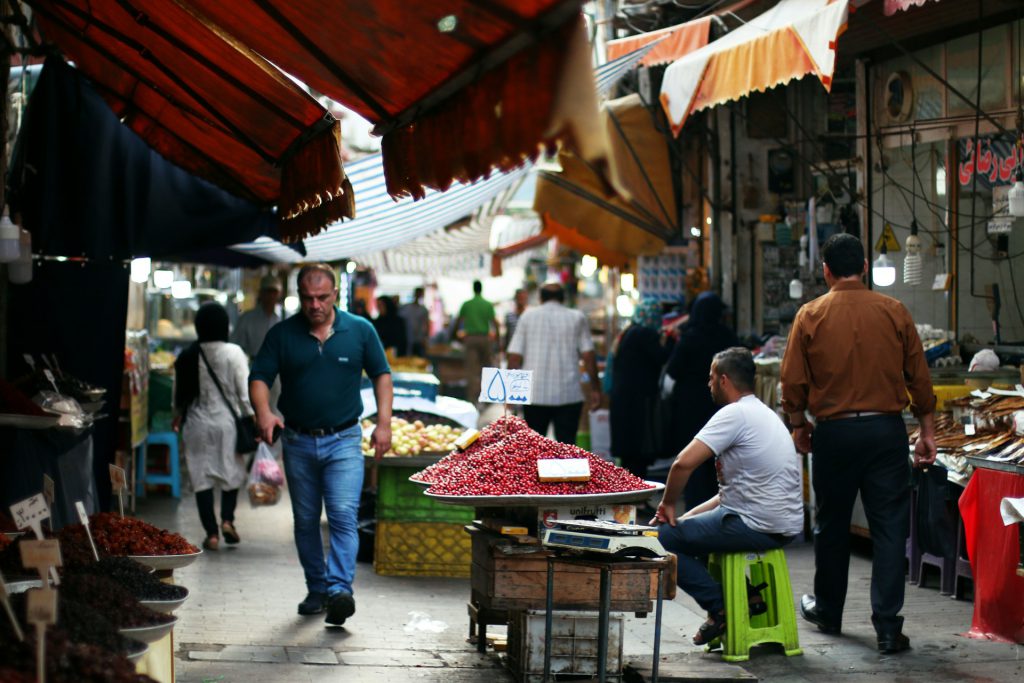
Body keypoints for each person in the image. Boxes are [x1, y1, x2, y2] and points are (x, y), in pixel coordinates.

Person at [780, 233, 936, 655]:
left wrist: (798, 423)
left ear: (826, 271)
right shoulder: (894, 311)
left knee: (831, 525)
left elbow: (792, 381)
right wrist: (927, 430)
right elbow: (919, 378)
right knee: (889, 529)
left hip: (834, 434)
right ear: (865, 267)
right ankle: (888, 628)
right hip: (886, 431)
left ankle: (828, 610)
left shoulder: (810, 314)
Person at [250, 263, 393, 627]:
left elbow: (382, 375)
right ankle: (317, 588)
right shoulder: (282, 334)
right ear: (299, 296)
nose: (315, 305)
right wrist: (264, 412)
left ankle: (339, 589)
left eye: (322, 297)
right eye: (308, 298)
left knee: (344, 515)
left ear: (335, 295)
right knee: (306, 521)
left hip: (344, 440)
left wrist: (384, 424)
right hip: (298, 441)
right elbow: (260, 376)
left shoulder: (360, 331)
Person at [652, 347, 803, 646]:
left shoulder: (735, 414)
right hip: (777, 523)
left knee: (660, 538)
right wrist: (686, 517)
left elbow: (682, 463)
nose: (707, 385)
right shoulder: (764, 413)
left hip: (756, 524)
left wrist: (668, 504)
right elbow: (727, 496)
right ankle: (751, 596)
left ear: (723, 380)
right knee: (686, 530)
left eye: (710, 379)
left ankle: (720, 609)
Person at [173, 303, 252, 552]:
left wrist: (177, 417)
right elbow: (244, 393)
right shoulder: (234, 352)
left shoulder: (187, 355)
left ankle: (212, 534)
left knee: (201, 477)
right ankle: (228, 520)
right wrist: (253, 419)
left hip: (196, 424)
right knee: (232, 473)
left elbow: (178, 396)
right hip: (226, 424)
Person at [664, 291, 738, 510]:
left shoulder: (689, 337)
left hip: (690, 405)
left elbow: (673, 371)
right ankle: (719, 505)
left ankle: (696, 507)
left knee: (693, 454)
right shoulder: (727, 336)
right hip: (721, 403)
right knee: (720, 454)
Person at [507, 280, 600, 444]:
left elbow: (514, 356)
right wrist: (595, 389)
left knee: (534, 449)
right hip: (569, 395)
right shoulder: (577, 317)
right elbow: (589, 355)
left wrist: (510, 393)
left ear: (541, 298)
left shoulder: (528, 316)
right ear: (563, 298)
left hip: (535, 395)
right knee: (566, 448)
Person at [609, 299, 672, 477]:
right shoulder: (645, 334)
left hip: (624, 401)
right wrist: (670, 342)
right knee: (639, 449)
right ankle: (638, 500)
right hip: (638, 402)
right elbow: (662, 357)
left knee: (629, 452)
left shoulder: (629, 331)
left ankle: (632, 496)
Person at [452, 280, 500, 405]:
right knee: (487, 369)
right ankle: (488, 398)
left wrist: (454, 336)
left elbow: (458, 321)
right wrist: (499, 341)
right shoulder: (487, 304)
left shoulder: (467, 304)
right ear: (481, 289)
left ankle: (472, 400)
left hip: (471, 339)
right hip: (485, 339)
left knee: (472, 370)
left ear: (473, 289)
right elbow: (495, 323)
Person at [231, 274, 281, 358]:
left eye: (274, 292)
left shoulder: (284, 317)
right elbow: (235, 345)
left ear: (279, 294)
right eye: (268, 291)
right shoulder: (247, 318)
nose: (271, 296)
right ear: (261, 293)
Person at [398, 287, 430, 357]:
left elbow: (426, 324)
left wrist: (425, 338)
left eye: (420, 294)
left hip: (419, 339)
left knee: (418, 355)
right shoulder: (406, 307)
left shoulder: (423, 310)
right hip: (407, 337)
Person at [504, 288, 528, 353]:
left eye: (523, 298)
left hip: (526, 350)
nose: (521, 300)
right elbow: (507, 334)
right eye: (519, 298)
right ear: (516, 299)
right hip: (512, 350)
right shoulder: (509, 315)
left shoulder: (530, 315)